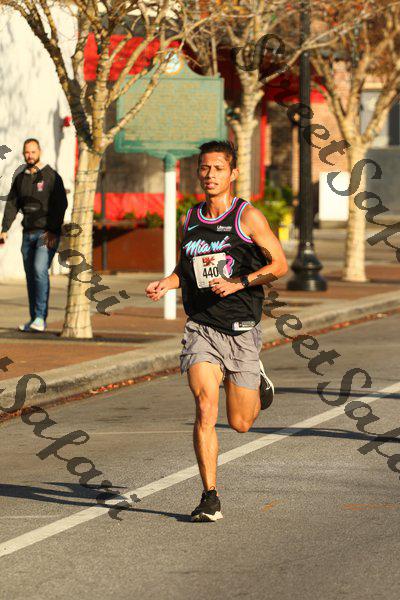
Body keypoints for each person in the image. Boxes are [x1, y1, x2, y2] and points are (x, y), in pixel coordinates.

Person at [146, 140, 288, 522]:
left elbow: (279, 265)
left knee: (240, 423)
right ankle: (210, 496)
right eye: (205, 168)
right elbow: (186, 269)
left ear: (233, 173)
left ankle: (256, 377)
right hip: (202, 327)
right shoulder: (190, 217)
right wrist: (166, 283)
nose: (210, 175)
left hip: (240, 329)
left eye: (218, 169)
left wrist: (239, 283)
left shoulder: (247, 217)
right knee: (205, 407)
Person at [0, 138, 68, 332]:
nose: (30, 156)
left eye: (33, 152)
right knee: (31, 277)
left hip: (46, 234)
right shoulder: (21, 178)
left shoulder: (51, 176)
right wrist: (4, 229)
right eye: (27, 152)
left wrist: (52, 230)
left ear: (40, 152)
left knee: (39, 271)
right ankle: (34, 319)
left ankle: (40, 317)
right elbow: (12, 204)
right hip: (27, 234)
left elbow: (61, 204)